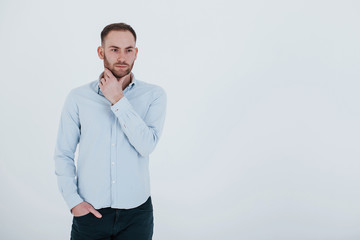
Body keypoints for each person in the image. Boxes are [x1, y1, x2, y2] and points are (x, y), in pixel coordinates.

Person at [54, 22, 167, 240]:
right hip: (90, 214)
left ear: (136, 53)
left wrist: (117, 99)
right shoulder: (78, 98)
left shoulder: (154, 96)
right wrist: (74, 203)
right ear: (101, 52)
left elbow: (147, 146)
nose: (122, 57)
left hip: (138, 214)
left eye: (128, 50)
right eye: (114, 49)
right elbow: (63, 154)